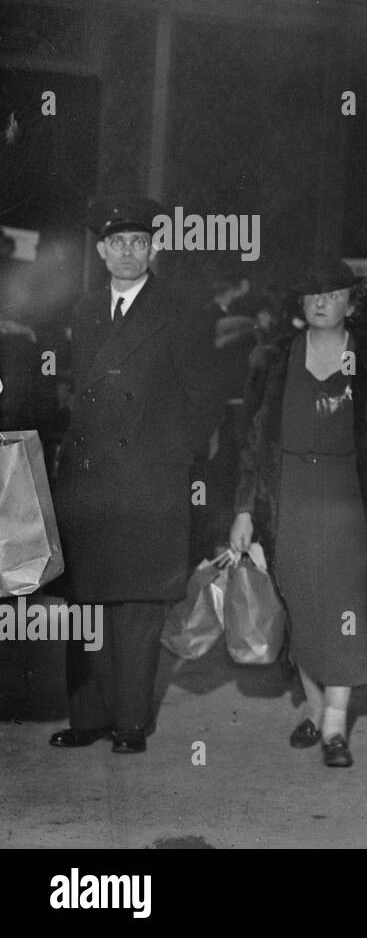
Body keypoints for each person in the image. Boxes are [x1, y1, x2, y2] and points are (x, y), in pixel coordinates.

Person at [230, 258, 367, 768]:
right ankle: (314, 708)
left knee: (343, 612)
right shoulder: (276, 358)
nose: (322, 303)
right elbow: (254, 440)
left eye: (333, 294)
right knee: (301, 609)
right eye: (313, 296)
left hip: (351, 506)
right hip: (289, 503)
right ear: (301, 306)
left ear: (351, 301)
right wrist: (243, 509)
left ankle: (333, 724)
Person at [49, 194, 220, 754]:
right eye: (118, 242)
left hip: (151, 478)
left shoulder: (182, 308)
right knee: (90, 599)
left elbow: (204, 397)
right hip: (93, 478)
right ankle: (89, 717)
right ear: (101, 251)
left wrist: (177, 458)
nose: (128, 251)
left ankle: (130, 722)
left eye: (139, 242)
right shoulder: (84, 310)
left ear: (154, 248)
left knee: (140, 605)